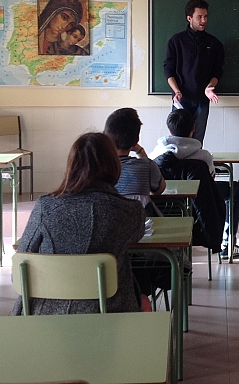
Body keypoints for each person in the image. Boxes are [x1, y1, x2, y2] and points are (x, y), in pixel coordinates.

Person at [11, 132, 145, 315]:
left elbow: (20, 266)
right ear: (114, 165)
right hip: (110, 312)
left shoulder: (45, 207)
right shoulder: (130, 210)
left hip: (46, 313)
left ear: (71, 165)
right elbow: (136, 235)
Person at [150, 108, 239, 258]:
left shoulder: (156, 152)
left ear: (169, 129)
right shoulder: (203, 156)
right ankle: (228, 243)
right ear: (194, 128)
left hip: (167, 206)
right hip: (199, 209)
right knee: (236, 189)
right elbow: (209, 183)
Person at [163, 0, 224, 143]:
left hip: (202, 100)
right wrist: (176, 91)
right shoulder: (176, 41)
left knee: (197, 142)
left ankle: (194, 166)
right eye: (200, 16)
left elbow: (218, 71)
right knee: (177, 141)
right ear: (189, 18)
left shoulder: (214, 43)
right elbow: (168, 70)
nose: (204, 20)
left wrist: (210, 87)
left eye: (206, 16)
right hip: (181, 100)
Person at [104, 108, 166, 215]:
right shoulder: (147, 165)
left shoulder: (98, 167)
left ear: (104, 135)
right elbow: (159, 190)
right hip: (142, 225)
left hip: (107, 222)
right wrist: (140, 151)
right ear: (136, 140)